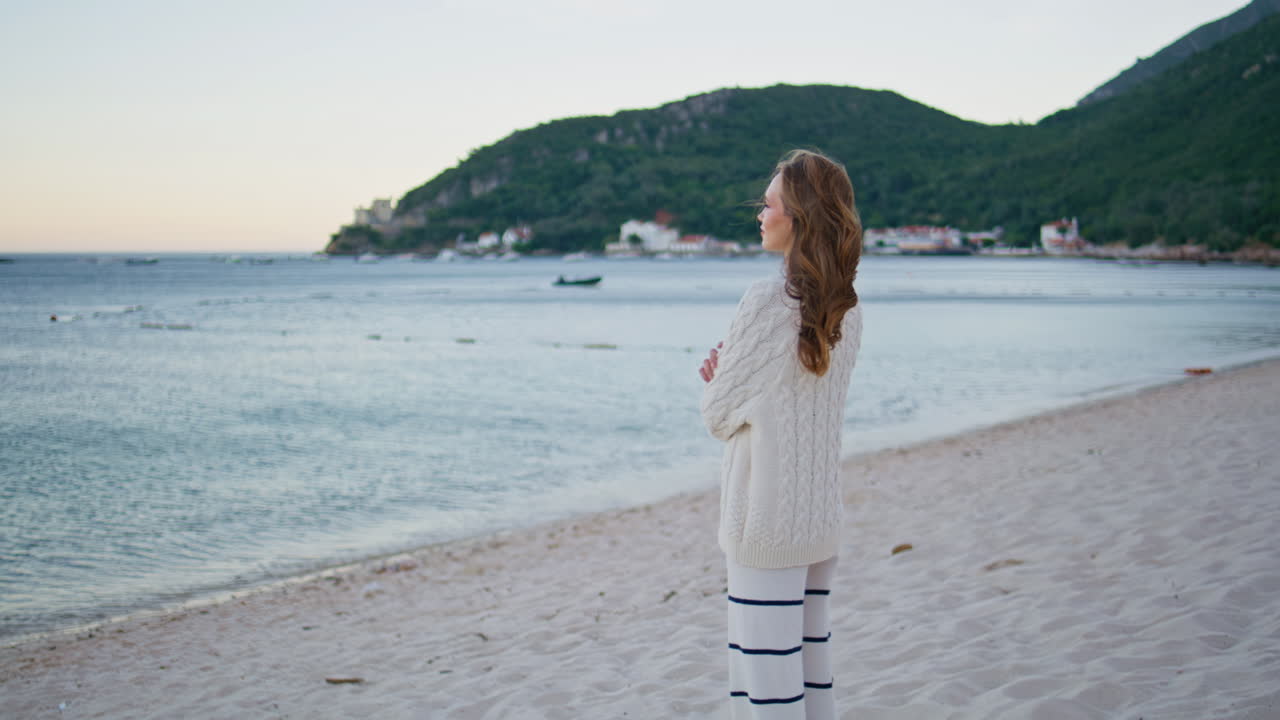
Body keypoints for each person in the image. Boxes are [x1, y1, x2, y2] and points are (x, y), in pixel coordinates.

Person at [699, 149, 863, 719]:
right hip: (817, 518)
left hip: (767, 526)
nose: (760, 215)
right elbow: (796, 395)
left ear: (799, 216)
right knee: (810, 682)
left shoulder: (768, 300)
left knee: (766, 690)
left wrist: (722, 374)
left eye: (768, 205)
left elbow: (719, 415)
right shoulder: (847, 306)